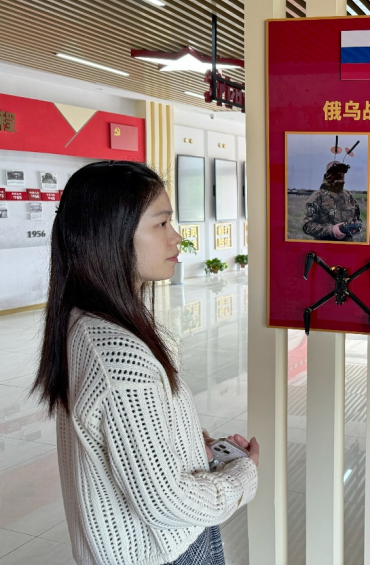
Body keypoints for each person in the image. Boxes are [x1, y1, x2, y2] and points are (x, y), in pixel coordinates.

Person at [32, 161, 259, 565]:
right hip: (166, 552)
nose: (177, 237)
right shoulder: (119, 357)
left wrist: (199, 448)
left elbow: (129, 441)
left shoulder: (86, 321)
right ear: (112, 235)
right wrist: (243, 476)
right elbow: (166, 502)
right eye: (162, 223)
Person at [303, 160, 362, 241]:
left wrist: (355, 226)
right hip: (325, 246)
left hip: (347, 245)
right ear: (327, 175)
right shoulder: (317, 197)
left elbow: (358, 220)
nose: (339, 174)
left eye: (342, 172)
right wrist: (331, 230)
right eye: (335, 171)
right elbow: (307, 226)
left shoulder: (349, 196)